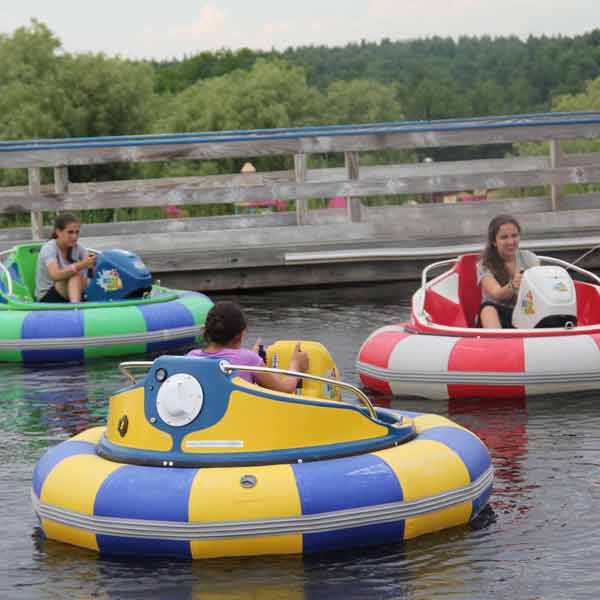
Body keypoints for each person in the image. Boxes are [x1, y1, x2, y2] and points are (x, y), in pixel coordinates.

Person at [187, 300, 309, 393]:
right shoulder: (248, 360)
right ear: (240, 335)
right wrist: (295, 365)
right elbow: (285, 388)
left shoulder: (191, 357)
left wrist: (252, 359)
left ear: (205, 331)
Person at [477, 214, 539, 328]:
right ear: (494, 242)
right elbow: (496, 294)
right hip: (495, 313)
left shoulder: (530, 259)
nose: (511, 242)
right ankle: (498, 342)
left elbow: (538, 292)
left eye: (514, 236)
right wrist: (514, 285)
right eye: (504, 237)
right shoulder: (484, 264)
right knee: (488, 309)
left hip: (524, 311)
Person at [35, 213, 96, 303]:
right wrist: (82, 265)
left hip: (69, 293)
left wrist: (93, 264)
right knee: (76, 274)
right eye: (70, 232)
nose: (74, 236)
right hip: (47, 297)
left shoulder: (77, 248)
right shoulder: (49, 248)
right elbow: (55, 275)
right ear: (58, 232)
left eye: (77, 232)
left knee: (92, 277)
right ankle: (76, 309)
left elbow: (91, 267)